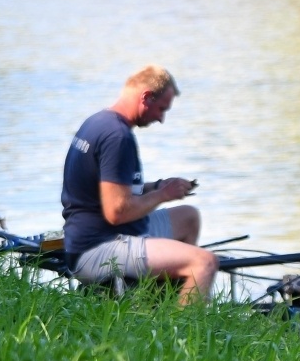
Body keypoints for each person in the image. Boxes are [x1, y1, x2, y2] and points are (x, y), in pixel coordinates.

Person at [59, 66, 217, 302]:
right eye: (162, 109)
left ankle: (167, 301)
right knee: (204, 262)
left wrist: (159, 186)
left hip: (95, 234)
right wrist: (163, 194)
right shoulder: (117, 137)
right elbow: (117, 212)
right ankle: (182, 335)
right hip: (97, 248)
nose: (161, 118)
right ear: (145, 97)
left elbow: (113, 192)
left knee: (188, 216)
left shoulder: (98, 122)